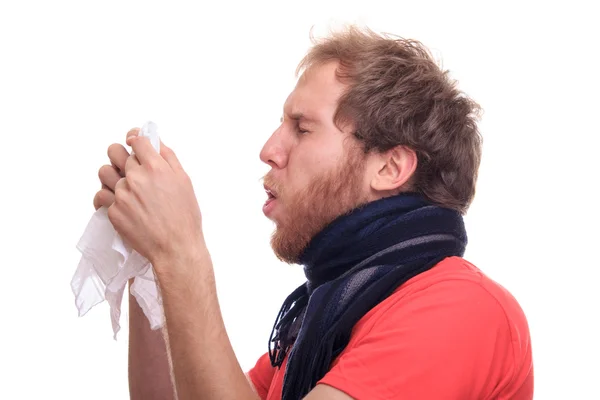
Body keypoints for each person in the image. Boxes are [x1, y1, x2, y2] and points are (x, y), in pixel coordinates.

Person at [93, 26, 533, 400]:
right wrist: (150, 263)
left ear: (389, 166)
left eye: (302, 128)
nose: (269, 150)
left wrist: (181, 251)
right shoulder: (322, 322)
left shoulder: (459, 309)